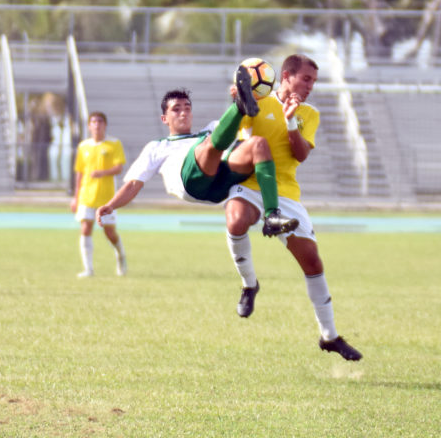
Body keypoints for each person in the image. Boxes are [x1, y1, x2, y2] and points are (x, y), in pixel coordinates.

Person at [224, 54, 362, 361]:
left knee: (312, 262)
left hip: (285, 192)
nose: (311, 86)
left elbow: (300, 155)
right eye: (306, 79)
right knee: (236, 221)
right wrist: (237, 101)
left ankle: (329, 336)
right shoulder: (258, 101)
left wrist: (290, 120)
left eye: (314, 81)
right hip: (251, 184)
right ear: (286, 76)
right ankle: (249, 285)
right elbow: (237, 128)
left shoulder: (309, 113)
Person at [96, 74, 299, 238]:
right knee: (209, 143)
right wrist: (110, 205)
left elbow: (235, 132)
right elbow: (133, 184)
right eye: (176, 109)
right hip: (191, 184)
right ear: (164, 118)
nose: (183, 113)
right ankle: (238, 105)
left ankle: (272, 216)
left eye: (187, 108)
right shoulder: (157, 146)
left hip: (219, 186)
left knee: (258, 144)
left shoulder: (209, 130)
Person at [71, 112, 127, 278]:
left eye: (100, 121)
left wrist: (102, 173)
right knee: (85, 228)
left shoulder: (114, 144)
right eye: (93, 122)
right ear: (89, 126)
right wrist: (75, 197)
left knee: (109, 233)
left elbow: (118, 168)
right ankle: (88, 269)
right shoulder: (83, 146)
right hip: (86, 195)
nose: (97, 125)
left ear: (105, 125)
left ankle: (120, 255)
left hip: (106, 197)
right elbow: (79, 172)